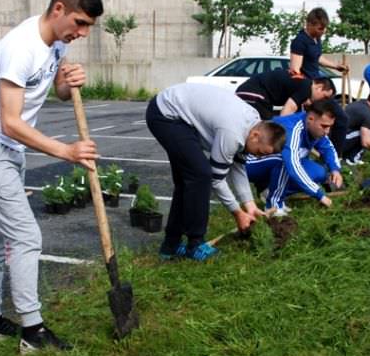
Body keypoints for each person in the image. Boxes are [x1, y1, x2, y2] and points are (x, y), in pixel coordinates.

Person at [0, 0, 103, 355]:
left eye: (88, 26)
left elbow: (52, 90)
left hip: (7, 151)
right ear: (59, 9)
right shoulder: (20, 47)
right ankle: (33, 331)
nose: (83, 33)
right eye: (80, 23)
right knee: (26, 237)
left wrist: (67, 81)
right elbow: (10, 121)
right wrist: (66, 151)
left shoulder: (55, 43)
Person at [146, 82, 286, 261]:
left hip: (179, 113)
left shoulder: (253, 123)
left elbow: (238, 165)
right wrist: (237, 212)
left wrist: (249, 204)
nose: (258, 157)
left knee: (187, 181)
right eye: (260, 153)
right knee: (201, 175)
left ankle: (170, 247)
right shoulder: (233, 133)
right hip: (166, 114)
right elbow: (216, 179)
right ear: (256, 136)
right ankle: (195, 244)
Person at [246, 99, 343, 215]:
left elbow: (328, 147)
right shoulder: (293, 129)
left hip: (276, 163)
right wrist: (320, 195)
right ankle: (274, 205)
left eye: (330, 127)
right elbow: (292, 165)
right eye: (324, 126)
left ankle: (270, 190)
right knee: (285, 162)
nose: (327, 131)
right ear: (311, 119)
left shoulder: (315, 129)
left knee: (320, 172)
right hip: (252, 162)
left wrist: (335, 169)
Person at [235, 70, 336, 119]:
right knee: (268, 126)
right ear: (319, 87)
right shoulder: (306, 87)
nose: (323, 100)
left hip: (246, 92)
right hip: (253, 93)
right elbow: (287, 111)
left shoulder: (303, 83)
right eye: (325, 97)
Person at [288, 7, 349, 79]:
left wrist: (336, 66)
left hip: (315, 82)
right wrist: (305, 86)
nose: (323, 31)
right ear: (309, 25)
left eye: (324, 28)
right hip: (305, 86)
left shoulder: (317, 39)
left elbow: (316, 57)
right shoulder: (300, 41)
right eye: (320, 29)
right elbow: (295, 71)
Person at [335, 90, 370, 165]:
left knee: (368, 132)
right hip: (336, 142)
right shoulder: (368, 115)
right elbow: (365, 142)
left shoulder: (361, 103)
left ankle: (346, 156)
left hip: (334, 137)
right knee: (369, 132)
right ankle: (352, 159)